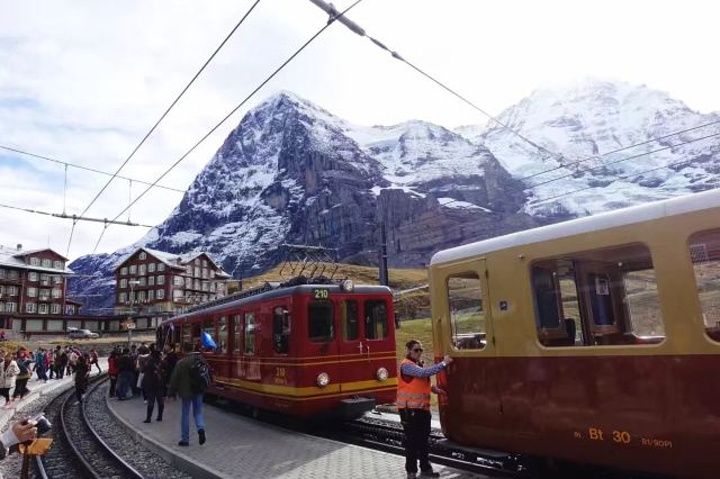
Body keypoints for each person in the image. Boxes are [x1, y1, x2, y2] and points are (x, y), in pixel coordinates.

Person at [397, 340, 453, 479]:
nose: (419, 352)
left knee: (423, 441)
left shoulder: (417, 364)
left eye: (421, 350)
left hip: (422, 409)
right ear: (409, 351)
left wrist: (435, 389)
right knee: (412, 442)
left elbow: (421, 382)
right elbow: (424, 374)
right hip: (409, 411)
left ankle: (425, 468)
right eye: (416, 350)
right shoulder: (406, 365)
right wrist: (444, 363)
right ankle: (411, 472)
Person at [169, 342, 206, 447]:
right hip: (198, 390)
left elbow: (174, 379)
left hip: (186, 392)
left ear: (184, 350)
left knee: (185, 414)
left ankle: (185, 439)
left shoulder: (181, 362)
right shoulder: (200, 360)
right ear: (193, 348)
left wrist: (171, 393)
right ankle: (201, 428)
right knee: (198, 412)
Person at [142, 348, 165, 423]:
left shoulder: (149, 362)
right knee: (160, 401)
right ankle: (160, 416)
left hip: (151, 384)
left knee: (151, 401)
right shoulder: (162, 362)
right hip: (160, 383)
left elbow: (143, 370)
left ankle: (148, 418)